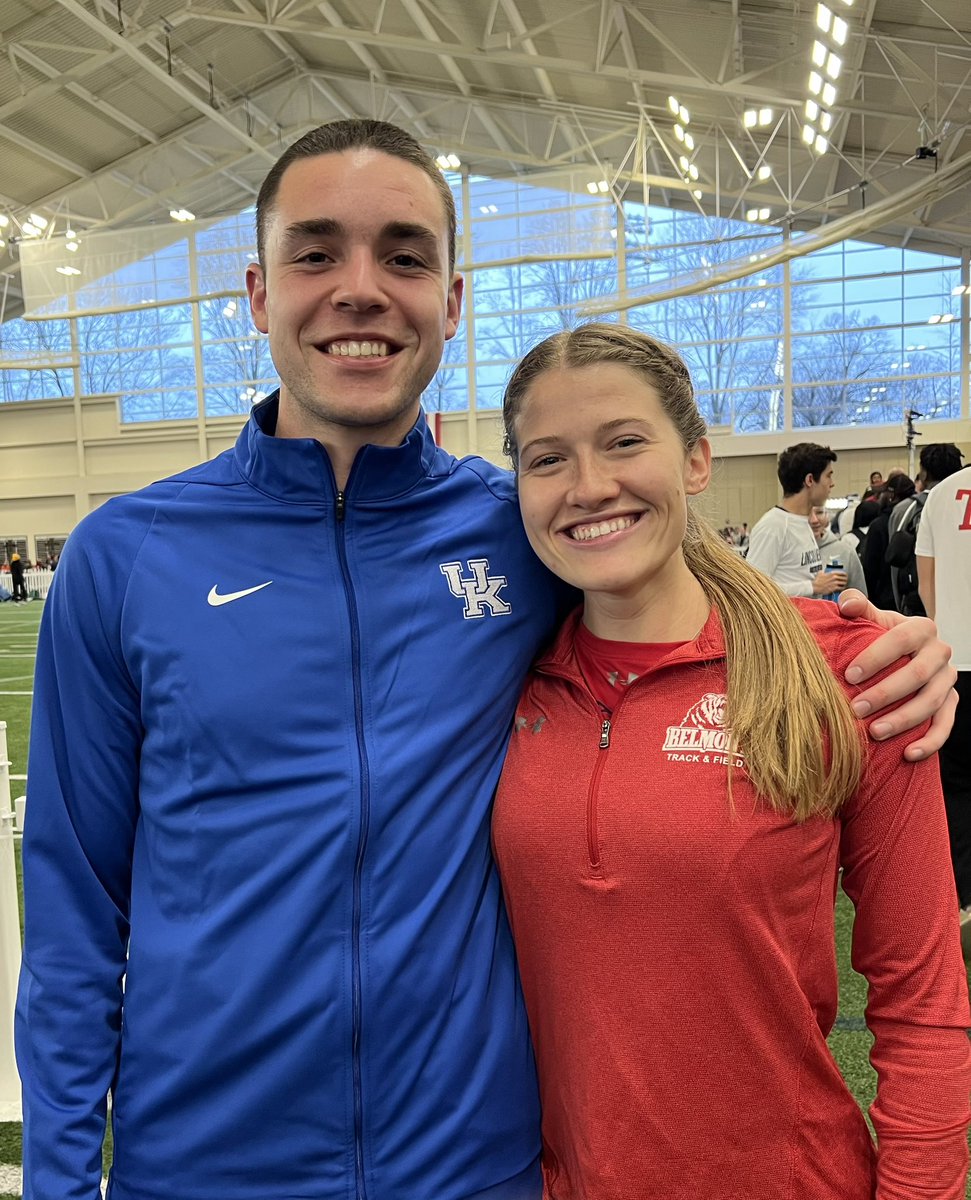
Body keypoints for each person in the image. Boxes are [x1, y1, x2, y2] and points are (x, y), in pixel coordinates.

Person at [16, 119, 959, 1200]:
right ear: (256, 292)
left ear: (452, 303)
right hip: (200, 1168)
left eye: (406, 257)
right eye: (315, 253)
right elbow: (77, 913)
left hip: (472, 1169)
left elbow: (668, 578)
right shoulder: (124, 559)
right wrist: (56, 1176)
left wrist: (870, 640)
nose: (360, 290)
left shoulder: (512, 528)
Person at [493, 323, 971, 1199]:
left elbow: (919, 994)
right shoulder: (499, 684)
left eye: (624, 442)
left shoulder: (850, 670)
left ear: (697, 461)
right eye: (546, 460)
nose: (588, 487)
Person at [917, 458, 971, 938]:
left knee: (953, 785)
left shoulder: (942, 495)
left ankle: (960, 901)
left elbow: (926, 588)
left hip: (956, 661)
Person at [745, 442, 848, 597]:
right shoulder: (773, 526)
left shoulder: (803, 522)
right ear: (810, 480)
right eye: (828, 475)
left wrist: (819, 580)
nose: (832, 483)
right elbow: (753, 589)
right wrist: (812, 586)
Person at [888, 443, 964, 616]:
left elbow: (895, 561)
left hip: (917, 605)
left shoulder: (905, 509)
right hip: (958, 599)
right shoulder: (963, 504)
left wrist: (900, 604)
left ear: (923, 472)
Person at [860, 473, 916, 609]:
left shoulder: (879, 525)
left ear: (890, 495)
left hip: (884, 601)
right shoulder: (917, 519)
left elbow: (870, 568)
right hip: (910, 597)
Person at [810, 504, 867, 596]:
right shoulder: (786, 552)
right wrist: (812, 587)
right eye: (806, 513)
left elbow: (860, 597)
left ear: (827, 517)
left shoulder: (845, 551)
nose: (814, 520)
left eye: (819, 512)